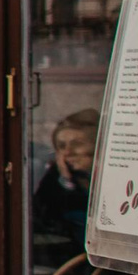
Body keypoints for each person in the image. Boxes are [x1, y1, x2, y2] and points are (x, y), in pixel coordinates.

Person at [31, 108, 97, 263]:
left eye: (77, 144)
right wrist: (66, 182)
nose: (67, 152)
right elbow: (40, 220)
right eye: (61, 146)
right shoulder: (56, 178)